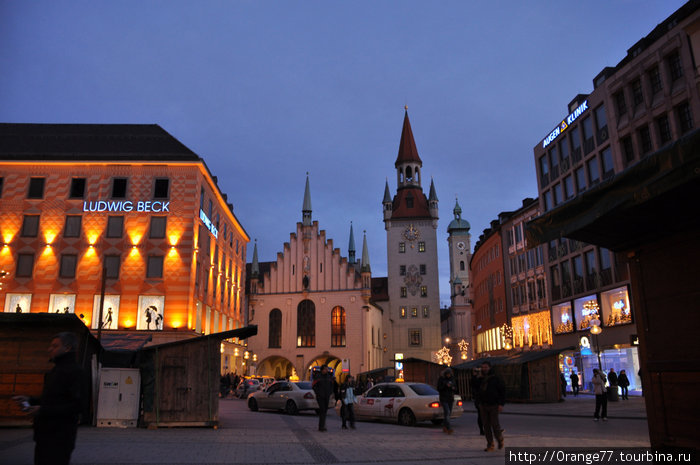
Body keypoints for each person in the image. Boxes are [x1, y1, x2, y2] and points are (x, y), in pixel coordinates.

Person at [13, 332, 83, 465]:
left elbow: (77, 405)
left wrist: (43, 410)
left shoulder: (75, 372)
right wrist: (30, 400)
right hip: (45, 434)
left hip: (60, 436)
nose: (49, 349)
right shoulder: (55, 371)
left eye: (55, 346)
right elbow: (52, 399)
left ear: (67, 348)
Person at [477, 361, 505, 452]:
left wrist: (501, 404)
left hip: (493, 404)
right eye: (483, 367)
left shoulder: (496, 378)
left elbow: (502, 391)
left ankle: (500, 439)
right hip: (483, 404)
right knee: (486, 426)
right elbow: (475, 389)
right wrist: (476, 378)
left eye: (486, 367)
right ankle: (490, 444)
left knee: (495, 424)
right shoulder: (480, 378)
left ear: (489, 367)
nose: (484, 369)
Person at [312, 365, 338, 432]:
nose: (327, 370)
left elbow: (332, 386)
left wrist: (330, 392)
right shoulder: (318, 377)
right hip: (320, 396)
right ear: (322, 370)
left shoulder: (329, 377)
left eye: (327, 369)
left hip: (327, 396)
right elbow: (314, 386)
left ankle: (322, 425)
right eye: (325, 369)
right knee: (322, 410)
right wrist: (318, 393)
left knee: (324, 411)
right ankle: (321, 426)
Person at [437, 367, 458, 434]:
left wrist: (452, 387)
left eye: (449, 374)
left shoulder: (452, 379)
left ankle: (445, 427)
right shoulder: (442, 379)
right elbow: (439, 388)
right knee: (447, 412)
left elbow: (455, 388)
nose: (448, 375)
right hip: (444, 398)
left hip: (450, 398)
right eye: (447, 374)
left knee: (448, 414)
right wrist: (445, 385)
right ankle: (449, 428)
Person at [470, 367, 484, 435]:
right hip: (478, 399)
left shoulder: (483, 377)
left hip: (484, 398)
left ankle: (486, 429)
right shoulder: (474, 379)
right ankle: (482, 430)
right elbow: (474, 386)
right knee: (481, 415)